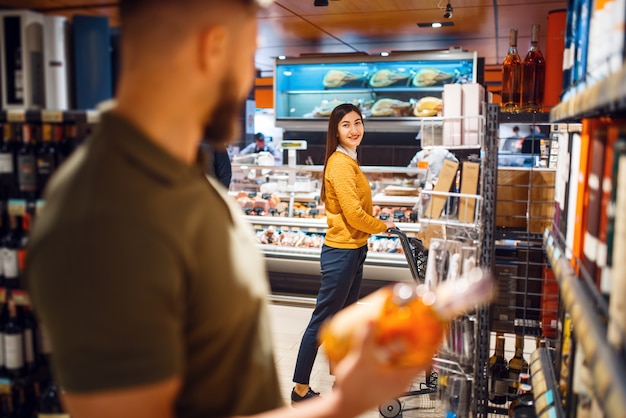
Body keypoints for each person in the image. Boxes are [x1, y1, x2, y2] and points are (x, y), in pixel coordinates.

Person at [23, 1, 423, 418]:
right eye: (248, 55)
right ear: (212, 46)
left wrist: (349, 399)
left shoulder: (189, 187)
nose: (248, 79)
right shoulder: (112, 212)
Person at [291, 103, 397, 404]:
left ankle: (343, 379)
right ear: (336, 131)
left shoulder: (350, 160)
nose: (354, 130)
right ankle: (300, 388)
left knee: (345, 320)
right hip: (341, 252)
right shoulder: (340, 163)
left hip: (354, 249)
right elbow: (353, 215)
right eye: (346, 125)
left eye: (358, 123)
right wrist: (382, 225)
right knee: (322, 321)